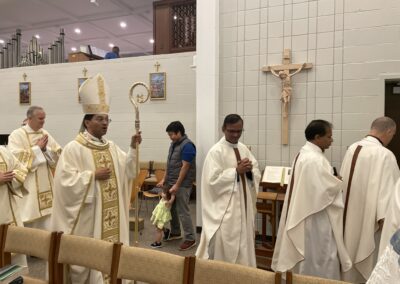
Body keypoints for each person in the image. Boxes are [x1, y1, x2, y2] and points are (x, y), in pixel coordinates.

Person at [50, 73, 141, 284]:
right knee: (91, 263)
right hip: (89, 219)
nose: (105, 123)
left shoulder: (111, 147)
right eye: (100, 119)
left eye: (107, 119)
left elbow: (129, 171)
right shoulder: (74, 149)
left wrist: (133, 147)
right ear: (87, 121)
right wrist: (91, 176)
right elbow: (64, 183)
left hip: (111, 217)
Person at [272, 120, 352, 280]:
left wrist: (331, 180)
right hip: (315, 217)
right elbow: (322, 190)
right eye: (329, 137)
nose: (331, 140)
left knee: (309, 254)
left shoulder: (303, 154)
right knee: (321, 254)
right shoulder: (315, 159)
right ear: (317, 137)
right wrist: (337, 182)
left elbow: (314, 185)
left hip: (308, 211)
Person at [196, 114, 261, 267]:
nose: (235, 135)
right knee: (225, 245)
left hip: (243, 208)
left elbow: (256, 169)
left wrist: (250, 171)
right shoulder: (216, 152)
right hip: (226, 210)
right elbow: (211, 182)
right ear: (223, 129)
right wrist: (235, 172)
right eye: (232, 131)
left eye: (239, 131)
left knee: (244, 243)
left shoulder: (243, 148)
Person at [340, 116, 399, 283]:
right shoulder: (385, 155)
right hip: (369, 223)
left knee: (348, 255)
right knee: (368, 261)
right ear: (389, 131)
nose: (391, 138)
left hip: (348, 216)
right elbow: (390, 199)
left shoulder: (352, 148)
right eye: (393, 135)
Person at [8, 106, 62, 230]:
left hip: (46, 184)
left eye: (44, 119)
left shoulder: (45, 133)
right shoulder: (17, 135)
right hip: (29, 185)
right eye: (40, 119)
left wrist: (45, 149)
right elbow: (14, 158)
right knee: (29, 223)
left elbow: (57, 155)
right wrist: (37, 149)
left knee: (48, 223)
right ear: (29, 118)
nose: (43, 122)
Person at [156, 121, 196, 251]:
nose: (170, 137)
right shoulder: (173, 144)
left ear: (180, 132)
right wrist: (164, 180)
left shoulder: (188, 146)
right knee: (171, 209)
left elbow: (185, 167)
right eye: (169, 135)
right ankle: (176, 232)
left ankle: (190, 238)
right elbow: (169, 164)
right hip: (171, 182)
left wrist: (177, 185)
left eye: (172, 134)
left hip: (182, 184)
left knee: (183, 211)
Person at [0, 146, 27, 265]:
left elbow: (21, 169)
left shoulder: (2, 150)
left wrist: (11, 176)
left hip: (8, 208)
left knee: (15, 254)